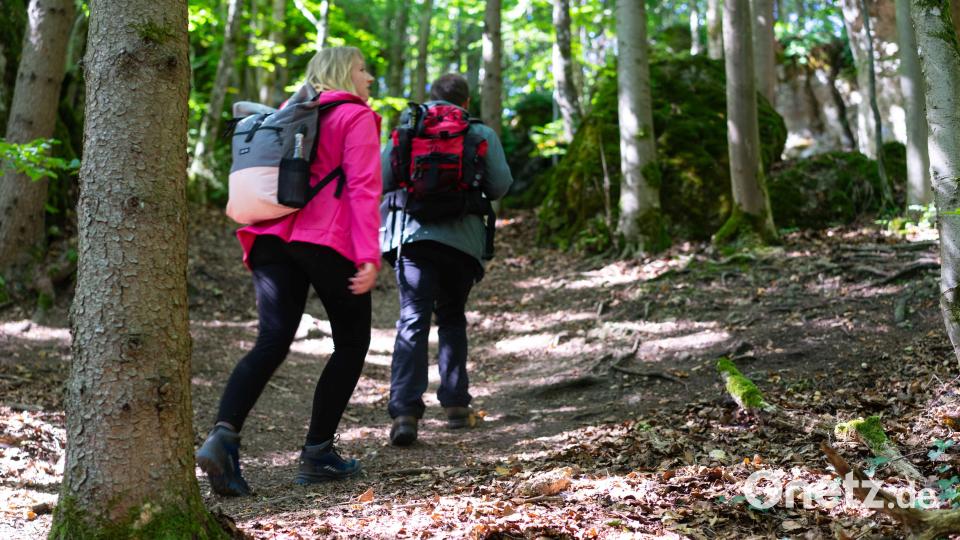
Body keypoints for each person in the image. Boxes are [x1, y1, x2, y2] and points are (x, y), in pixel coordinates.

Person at [196, 46, 381, 496]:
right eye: (362, 69)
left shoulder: (289, 113)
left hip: (269, 239)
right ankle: (318, 454)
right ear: (344, 73)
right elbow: (362, 188)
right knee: (352, 342)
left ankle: (223, 437)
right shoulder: (355, 116)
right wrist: (369, 255)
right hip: (324, 238)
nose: (370, 78)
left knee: (272, 341)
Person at [380, 73, 513, 446]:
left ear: (431, 97)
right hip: (462, 243)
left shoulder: (410, 128)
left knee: (413, 319)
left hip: (412, 238)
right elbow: (500, 185)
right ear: (466, 102)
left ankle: (404, 413)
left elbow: (382, 178)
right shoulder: (479, 132)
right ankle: (456, 405)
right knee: (452, 317)